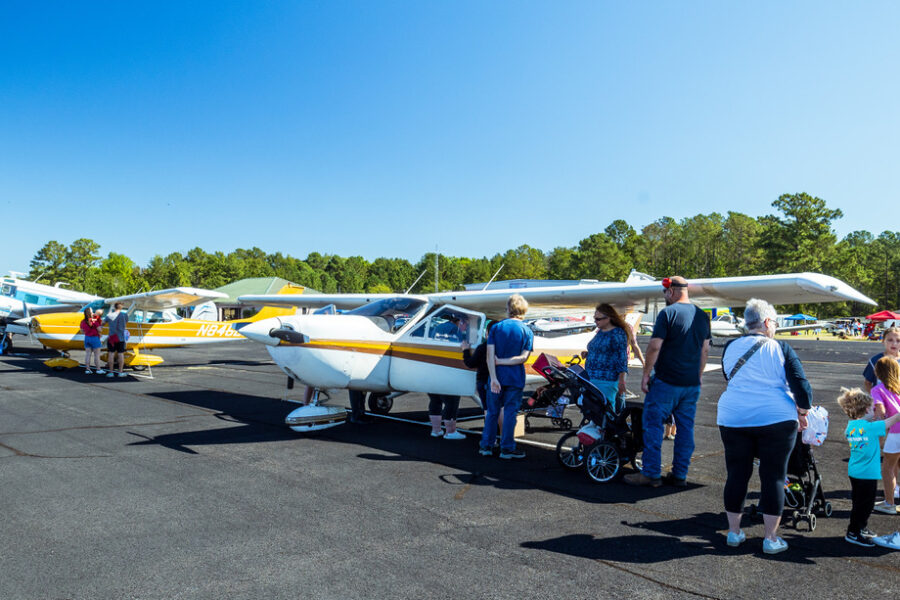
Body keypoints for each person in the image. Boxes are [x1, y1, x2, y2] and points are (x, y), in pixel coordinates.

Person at [715, 298, 813, 554]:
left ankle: (734, 533)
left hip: (733, 416)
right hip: (776, 418)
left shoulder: (730, 347)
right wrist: (802, 411)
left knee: (737, 473)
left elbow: (728, 376)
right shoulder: (780, 347)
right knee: (773, 476)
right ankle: (771, 538)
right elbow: (801, 387)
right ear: (768, 322)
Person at [626, 276, 710, 487]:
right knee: (685, 429)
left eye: (665, 292)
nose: (664, 296)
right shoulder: (702, 316)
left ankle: (651, 474)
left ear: (671, 291)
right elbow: (705, 350)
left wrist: (646, 374)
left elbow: (654, 346)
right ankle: (680, 475)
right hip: (691, 384)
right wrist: (698, 375)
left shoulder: (668, 313)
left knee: (653, 426)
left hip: (666, 382)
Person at [838, 387, 900, 547]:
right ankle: (854, 532)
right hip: (867, 474)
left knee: (859, 503)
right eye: (872, 408)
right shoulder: (872, 428)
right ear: (866, 409)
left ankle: (861, 527)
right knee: (865, 505)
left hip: (855, 471)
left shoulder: (850, 427)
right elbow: (891, 421)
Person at [478, 294, 533, 459]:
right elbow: (523, 358)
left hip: (497, 378)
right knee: (510, 413)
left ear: (508, 309)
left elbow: (490, 356)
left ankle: (486, 446)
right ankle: (507, 448)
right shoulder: (527, 331)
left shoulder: (496, 328)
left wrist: (493, 377)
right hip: (515, 378)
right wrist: (503, 361)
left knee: (492, 412)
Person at [581, 303, 629, 408]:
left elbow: (622, 358)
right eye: (595, 318)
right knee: (594, 408)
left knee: (605, 408)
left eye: (598, 319)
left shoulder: (617, 333)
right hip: (592, 377)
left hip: (606, 379)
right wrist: (589, 354)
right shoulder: (601, 332)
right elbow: (604, 350)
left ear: (608, 318)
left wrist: (622, 381)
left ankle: (606, 424)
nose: (595, 321)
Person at [870, 357, 900, 515]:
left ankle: (889, 503)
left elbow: (880, 412)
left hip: (896, 432)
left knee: (888, 468)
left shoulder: (877, 390)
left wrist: (876, 430)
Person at [462, 321, 499, 434]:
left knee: (487, 409)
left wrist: (465, 350)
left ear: (487, 333)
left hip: (484, 381)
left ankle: (490, 437)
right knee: (499, 408)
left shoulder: (483, 347)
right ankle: (499, 435)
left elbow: (470, 363)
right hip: (499, 381)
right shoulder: (504, 348)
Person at [863, 326, 900, 392]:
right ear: (883, 341)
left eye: (898, 341)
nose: (894, 344)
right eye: (890, 340)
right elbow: (867, 383)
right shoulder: (875, 360)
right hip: (882, 401)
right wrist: (876, 397)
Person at [104, 302, 128, 378]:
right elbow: (126, 322)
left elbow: (103, 323)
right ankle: (120, 372)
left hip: (112, 337)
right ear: (121, 307)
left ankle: (111, 372)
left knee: (111, 353)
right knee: (121, 354)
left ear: (114, 307)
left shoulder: (109, 315)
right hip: (121, 337)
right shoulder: (124, 315)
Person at [79, 307, 104, 374]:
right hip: (95, 338)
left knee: (88, 355)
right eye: (92, 311)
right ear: (90, 313)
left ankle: (87, 369)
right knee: (97, 355)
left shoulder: (83, 322)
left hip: (87, 338)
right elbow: (100, 330)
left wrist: (87, 332)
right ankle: (98, 369)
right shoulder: (94, 321)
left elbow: (82, 331)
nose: (93, 313)